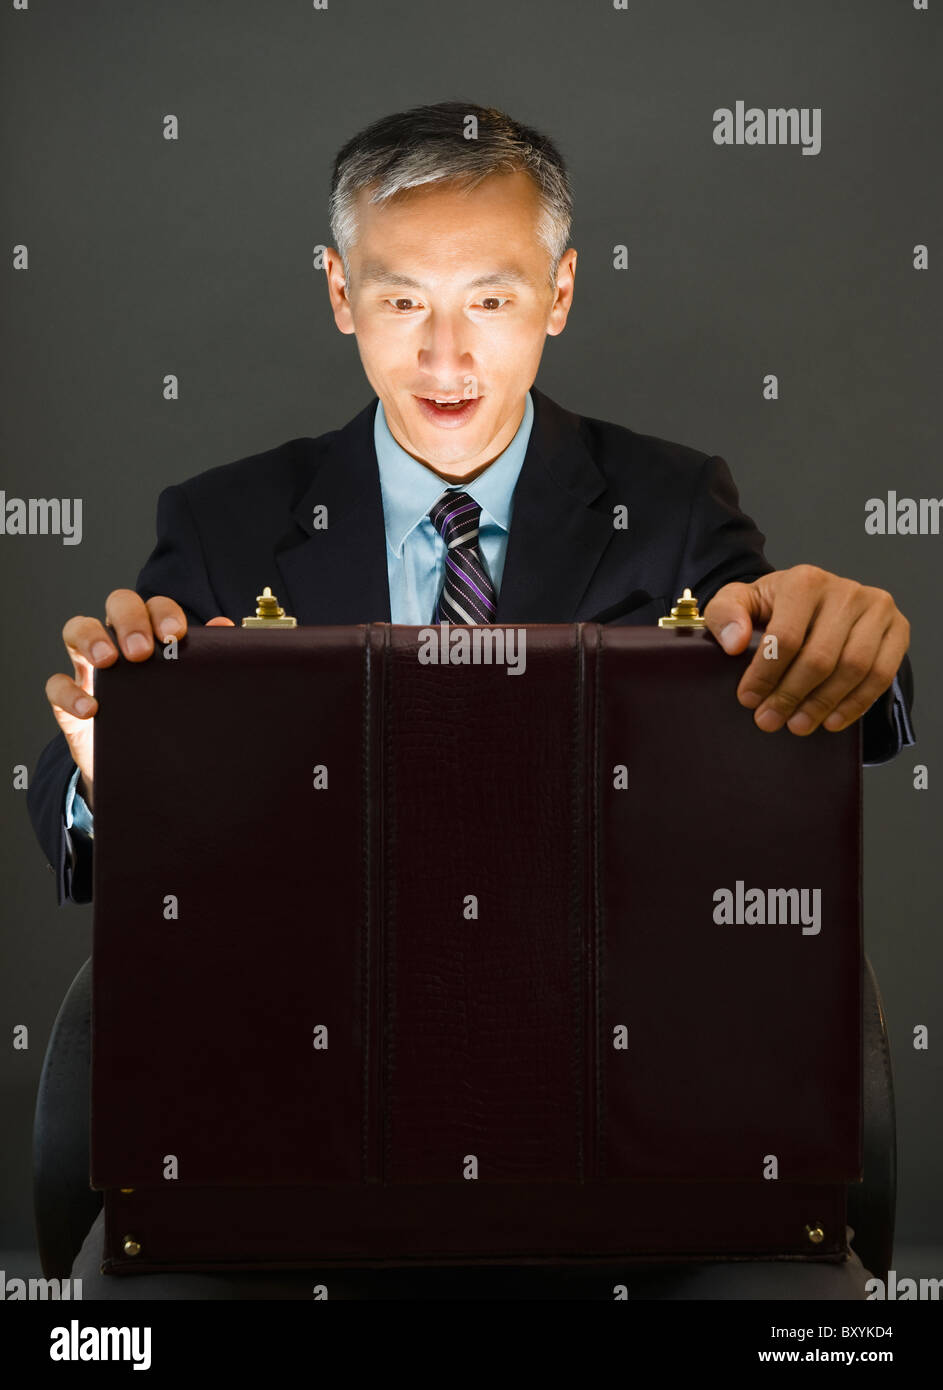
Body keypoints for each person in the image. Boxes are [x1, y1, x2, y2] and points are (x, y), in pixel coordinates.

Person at [27, 101, 914, 1299]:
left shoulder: (669, 507)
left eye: (490, 301)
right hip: (297, 1112)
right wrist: (113, 772)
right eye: (402, 302)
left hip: (624, 1106)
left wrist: (851, 645)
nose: (445, 360)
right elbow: (74, 783)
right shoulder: (225, 521)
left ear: (559, 293)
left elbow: (791, 667)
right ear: (340, 293)